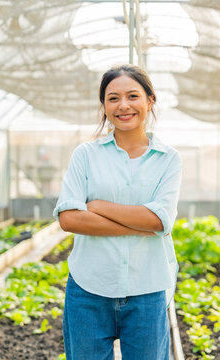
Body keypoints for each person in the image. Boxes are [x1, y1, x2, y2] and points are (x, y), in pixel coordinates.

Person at [53, 64, 182, 359]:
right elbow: (69, 218)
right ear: (104, 105)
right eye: (113, 98)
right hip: (89, 289)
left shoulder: (168, 159)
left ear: (150, 100)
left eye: (133, 96)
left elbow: (159, 219)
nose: (123, 105)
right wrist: (143, 225)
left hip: (147, 289)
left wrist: (99, 207)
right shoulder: (86, 155)